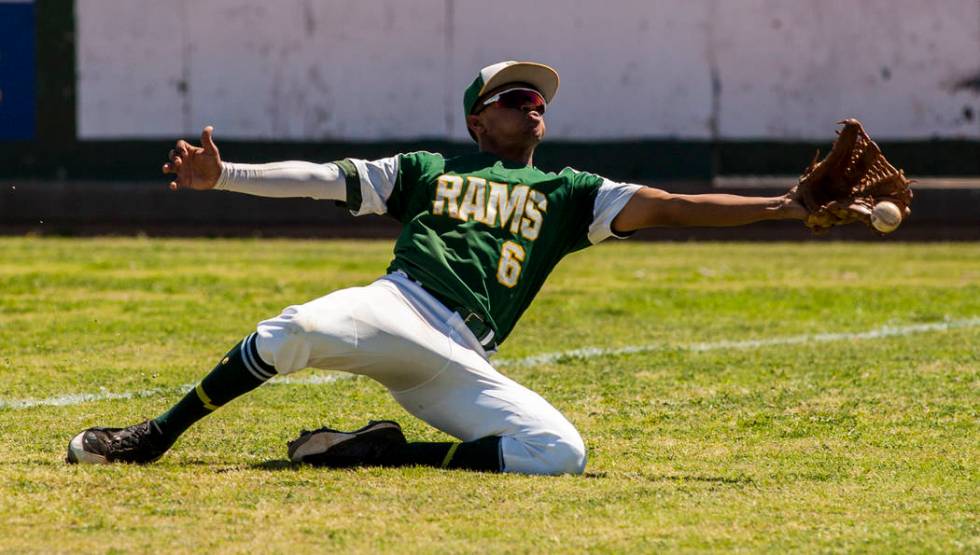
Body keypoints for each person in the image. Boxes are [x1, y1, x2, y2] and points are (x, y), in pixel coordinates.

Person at [67, 61, 809, 475]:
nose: (535, 107)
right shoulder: (429, 166)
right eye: (516, 98)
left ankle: (384, 451)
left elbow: (676, 206)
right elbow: (325, 178)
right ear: (478, 121)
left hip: (460, 357)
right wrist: (224, 176)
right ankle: (153, 436)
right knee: (288, 332)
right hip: (398, 308)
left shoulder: (573, 192)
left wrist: (782, 205)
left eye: (541, 100)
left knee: (561, 453)